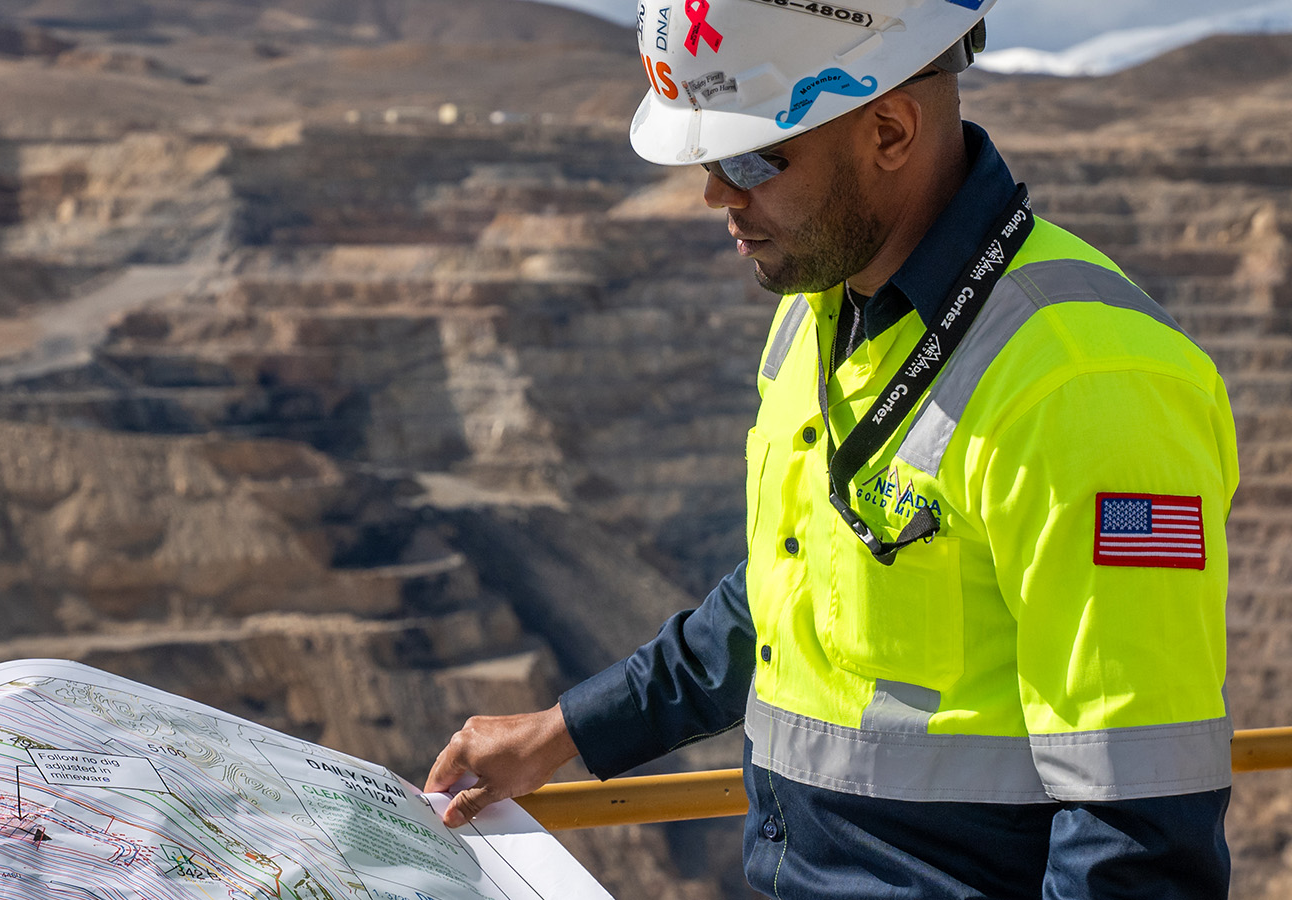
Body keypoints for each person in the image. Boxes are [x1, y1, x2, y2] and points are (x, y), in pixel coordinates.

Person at [425, 0, 1239, 897]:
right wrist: (565, 733)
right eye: (706, 160)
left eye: (746, 160)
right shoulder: (821, 313)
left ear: (889, 130)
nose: (714, 196)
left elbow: (1138, 835)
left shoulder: (1087, 385)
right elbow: (787, 598)